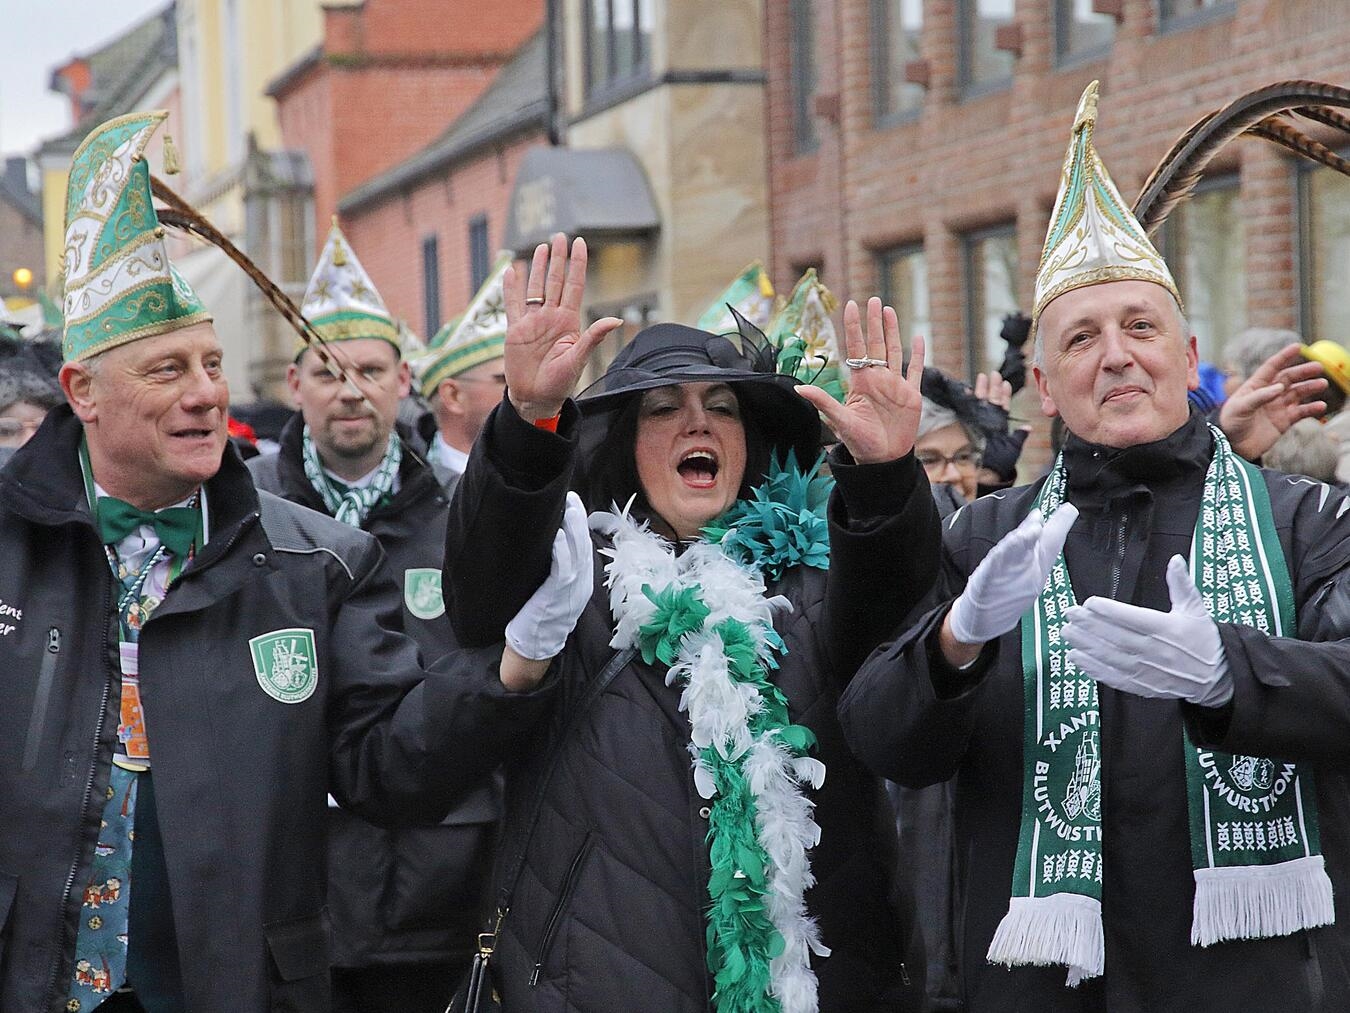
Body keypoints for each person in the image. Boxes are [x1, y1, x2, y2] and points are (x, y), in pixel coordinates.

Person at [0, 109, 578, 1013]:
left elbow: (390, 766)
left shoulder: (314, 561)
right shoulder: (9, 548)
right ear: (83, 393)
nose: (204, 395)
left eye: (213, 364)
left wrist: (513, 668)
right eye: (166, 371)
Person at [840, 81, 1349, 1012]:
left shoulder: (1302, 519)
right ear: (1043, 380)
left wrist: (1232, 674)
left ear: (1186, 352)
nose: (1116, 355)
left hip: (1253, 985)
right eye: (1082, 338)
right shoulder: (987, 534)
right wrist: (953, 644)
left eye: (1140, 327)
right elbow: (881, 737)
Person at [442, 233, 938, 1010]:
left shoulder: (814, 582)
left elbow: (901, 658)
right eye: (664, 409)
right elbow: (481, 595)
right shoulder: (574, 585)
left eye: (723, 409)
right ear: (627, 447)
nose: (696, 425)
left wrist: (883, 486)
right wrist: (528, 417)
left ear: (750, 443)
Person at [247, 220, 499, 1012]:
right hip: (290, 882)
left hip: (439, 886)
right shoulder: (243, 515)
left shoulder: (467, 512)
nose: (349, 388)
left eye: (367, 368)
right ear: (295, 386)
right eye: (326, 371)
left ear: (404, 380)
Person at [413, 257, 509, 491]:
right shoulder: (409, 489)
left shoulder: (551, 478)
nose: (526, 390)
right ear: (453, 395)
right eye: (505, 380)